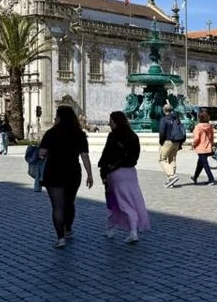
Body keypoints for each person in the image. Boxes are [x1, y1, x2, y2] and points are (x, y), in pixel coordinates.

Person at [38, 105, 93, 248]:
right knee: (69, 203)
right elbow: (85, 156)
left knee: (57, 207)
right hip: (72, 172)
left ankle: (60, 238)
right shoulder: (79, 134)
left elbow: (42, 153)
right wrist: (90, 175)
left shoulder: (51, 133)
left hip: (53, 171)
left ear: (60, 117)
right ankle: (68, 229)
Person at [98, 110, 150, 244]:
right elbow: (135, 156)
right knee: (130, 200)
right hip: (130, 173)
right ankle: (127, 230)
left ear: (115, 122)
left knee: (114, 201)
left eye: (111, 121)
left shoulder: (113, 136)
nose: (109, 123)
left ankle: (115, 229)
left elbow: (106, 155)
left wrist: (103, 172)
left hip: (116, 173)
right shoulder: (133, 136)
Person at [157, 104, 185, 187]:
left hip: (167, 141)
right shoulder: (176, 118)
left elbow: (162, 132)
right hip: (177, 142)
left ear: (164, 110)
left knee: (162, 159)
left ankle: (172, 176)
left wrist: (161, 141)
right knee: (172, 160)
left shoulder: (164, 119)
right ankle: (171, 181)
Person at [190, 109, 216, 185]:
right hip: (207, 147)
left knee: (205, 164)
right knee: (200, 163)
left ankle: (211, 179)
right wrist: (211, 144)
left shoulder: (198, 126)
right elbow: (211, 137)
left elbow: (197, 138)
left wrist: (193, 144)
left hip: (201, 148)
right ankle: (195, 177)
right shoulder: (209, 126)